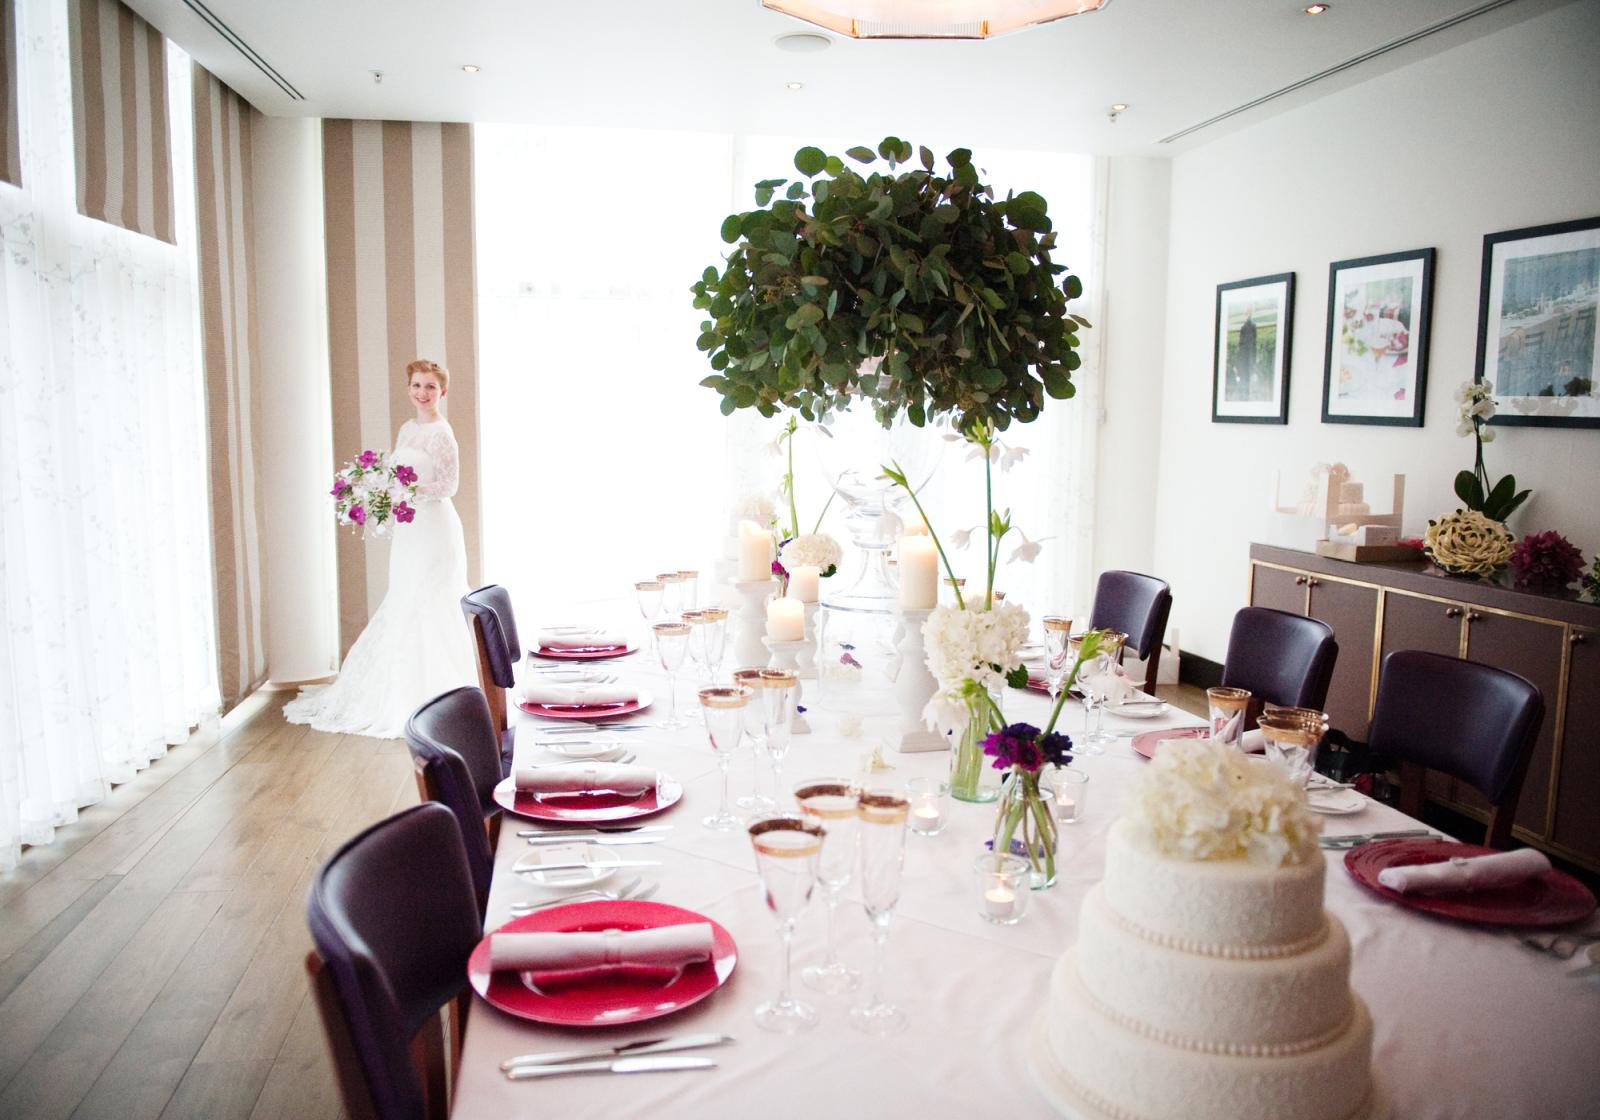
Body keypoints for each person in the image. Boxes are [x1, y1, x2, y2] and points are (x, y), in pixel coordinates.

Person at [286, 359, 477, 738]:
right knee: (404, 599)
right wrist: (381, 489)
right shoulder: (408, 428)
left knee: (430, 601)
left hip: (434, 529)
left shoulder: (442, 434)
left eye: (430, 387)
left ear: (442, 392)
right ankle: (399, 692)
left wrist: (404, 490)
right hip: (410, 529)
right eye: (417, 385)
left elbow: (448, 485)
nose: (422, 393)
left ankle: (441, 698)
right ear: (408, 389)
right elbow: (395, 472)